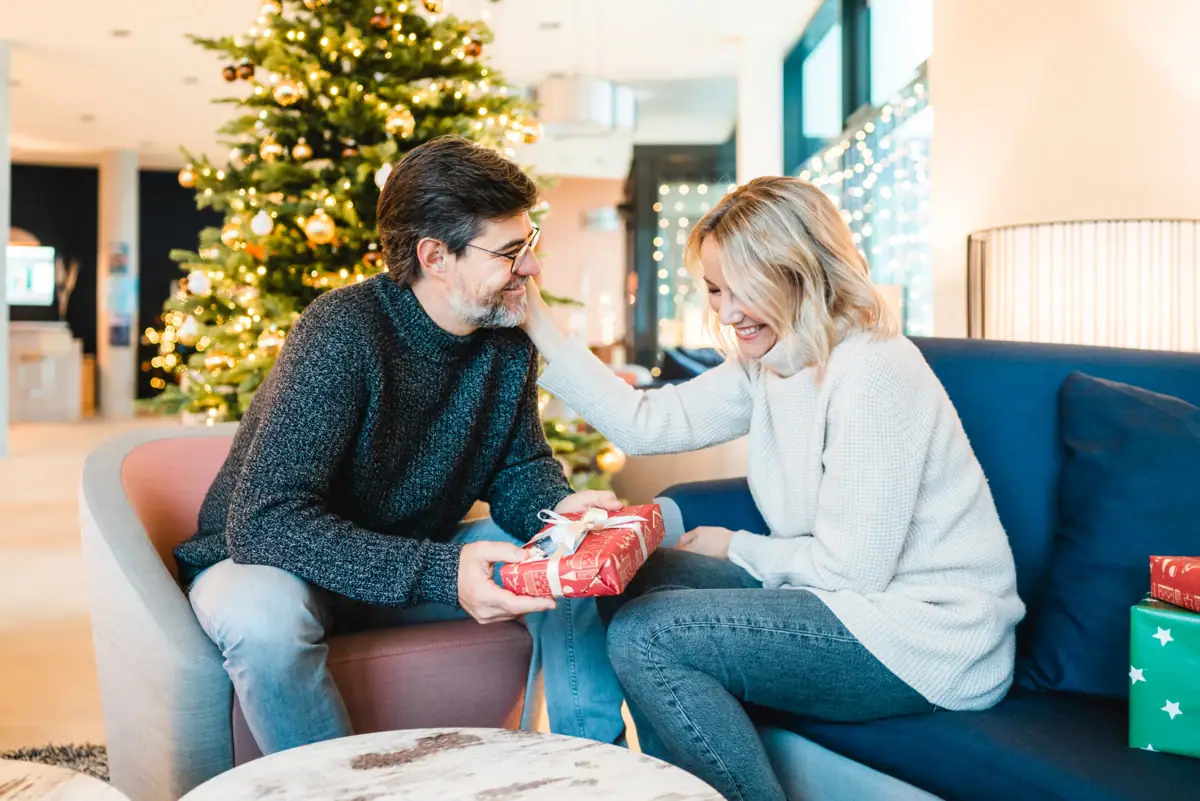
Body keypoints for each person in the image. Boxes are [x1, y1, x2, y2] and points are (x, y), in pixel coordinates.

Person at [520, 176, 1026, 801]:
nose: (727, 312)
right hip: (843, 602)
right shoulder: (775, 361)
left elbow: (854, 571)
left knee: (649, 634)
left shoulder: (872, 371)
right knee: (634, 582)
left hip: (924, 635)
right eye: (714, 289)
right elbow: (645, 423)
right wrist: (533, 314)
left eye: (746, 289)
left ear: (801, 274)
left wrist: (737, 546)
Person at [174, 136, 627, 754]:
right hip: (274, 566)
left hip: (404, 553)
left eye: (530, 245)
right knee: (264, 622)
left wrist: (560, 512)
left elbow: (518, 463)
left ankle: (594, 768)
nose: (531, 268)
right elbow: (265, 522)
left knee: (565, 566)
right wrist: (441, 571)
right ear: (435, 256)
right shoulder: (343, 330)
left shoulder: (505, 338)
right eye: (510, 252)